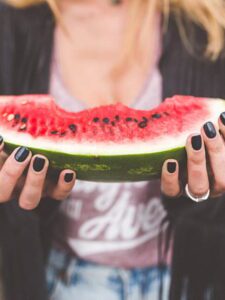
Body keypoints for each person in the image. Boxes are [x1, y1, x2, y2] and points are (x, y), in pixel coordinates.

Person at [0, 0, 225, 299]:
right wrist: (23, 199)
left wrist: (206, 197)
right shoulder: (11, 26)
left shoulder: (208, 27)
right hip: (62, 280)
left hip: (187, 279)